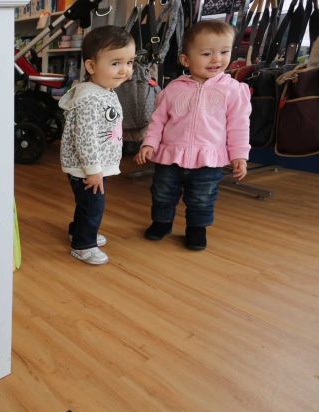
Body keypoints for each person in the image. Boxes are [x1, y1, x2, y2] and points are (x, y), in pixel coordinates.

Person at [135, 20, 251, 250]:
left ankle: (196, 229)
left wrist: (239, 155)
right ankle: (161, 223)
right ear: (186, 60)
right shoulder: (173, 89)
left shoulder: (233, 90)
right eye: (207, 54)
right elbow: (158, 120)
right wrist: (149, 143)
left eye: (224, 52)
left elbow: (239, 126)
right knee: (162, 193)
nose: (217, 59)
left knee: (202, 197)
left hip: (209, 159)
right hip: (170, 156)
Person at [59, 25, 135, 265]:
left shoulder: (105, 90)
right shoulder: (90, 99)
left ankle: (78, 230)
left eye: (129, 62)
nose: (124, 70)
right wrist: (93, 170)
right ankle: (83, 245)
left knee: (87, 204)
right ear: (91, 66)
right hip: (88, 168)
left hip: (95, 167)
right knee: (93, 206)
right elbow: (85, 138)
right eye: (115, 63)